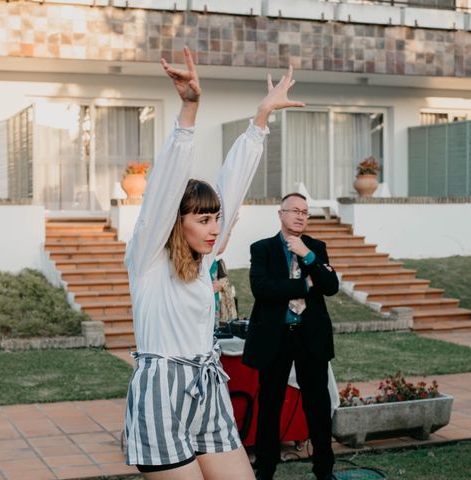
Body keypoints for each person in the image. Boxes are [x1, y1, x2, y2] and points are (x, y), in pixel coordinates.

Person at [124, 45, 304, 479]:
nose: (213, 228)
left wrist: (259, 121)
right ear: (176, 220)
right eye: (202, 219)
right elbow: (163, 189)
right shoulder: (147, 257)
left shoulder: (204, 260)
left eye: (216, 220)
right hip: (161, 392)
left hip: (208, 387)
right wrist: (189, 111)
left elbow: (232, 183)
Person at [242, 192, 340, 480]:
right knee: (270, 407)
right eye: (295, 210)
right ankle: (266, 470)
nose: (300, 216)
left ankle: (324, 470)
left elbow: (331, 285)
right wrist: (305, 284)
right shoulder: (262, 249)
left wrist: (307, 256)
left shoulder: (316, 248)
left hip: (310, 338)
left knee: (318, 407)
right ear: (280, 214)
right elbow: (262, 289)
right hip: (276, 338)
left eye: (305, 212)